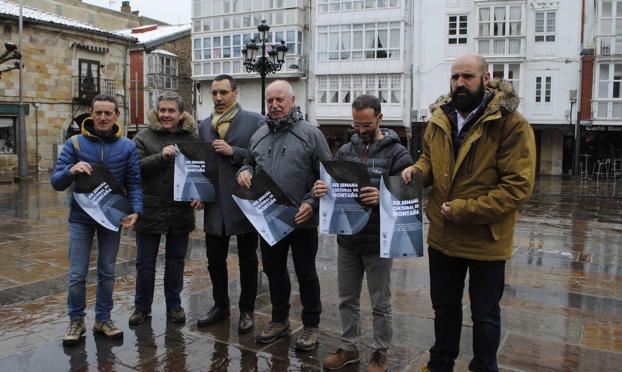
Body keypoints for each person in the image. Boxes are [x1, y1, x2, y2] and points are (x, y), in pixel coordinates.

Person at [401, 53, 536, 372]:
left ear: (486, 79)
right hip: (443, 238)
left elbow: (517, 187)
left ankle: (484, 366)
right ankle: (440, 363)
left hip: (486, 241)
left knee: (485, 314)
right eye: (455, 77)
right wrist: (417, 172)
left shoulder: (511, 124)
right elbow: (431, 162)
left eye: (468, 77)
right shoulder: (440, 118)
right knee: (444, 309)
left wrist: (463, 210)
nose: (460, 83)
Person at [315, 95, 412, 372]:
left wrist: (382, 196)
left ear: (380, 118)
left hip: (379, 240)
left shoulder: (398, 154)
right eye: (356, 124)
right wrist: (322, 191)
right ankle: (348, 348)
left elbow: (410, 198)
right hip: (347, 238)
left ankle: (380, 353)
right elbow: (333, 184)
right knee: (347, 298)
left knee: (381, 302)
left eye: (366, 124)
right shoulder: (346, 150)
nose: (360, 130)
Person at [236, 80, 332, 351]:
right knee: (274, 271)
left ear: (292, 101)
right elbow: (248, 162)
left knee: (306, 273)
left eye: (280, 100)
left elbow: (327, 174)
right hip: (270, 219)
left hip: (302, 219)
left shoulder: (311, 134)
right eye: (270, 101)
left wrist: (311, 202)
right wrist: (244, 171)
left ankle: (311, 325)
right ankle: (279, 320)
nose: (275, 105)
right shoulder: (259, 134)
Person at [51, 94, 143, 346]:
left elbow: (134, 183)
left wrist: (135, 209)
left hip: (112, 217)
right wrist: (71, 170)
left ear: (116, 115)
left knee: (107, 272)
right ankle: (76, 320)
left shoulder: (127, 146)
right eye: (98, 112)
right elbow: (56, 182)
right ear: (91, 114)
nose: (103, 118)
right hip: (81, 218)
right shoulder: (75, 143)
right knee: (77, 274)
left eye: (108, 113)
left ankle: (103, 318)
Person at [128, 92, 203, 326]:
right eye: (162, 110)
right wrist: (161, 156)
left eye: (171, 111)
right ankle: (141, 307)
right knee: (145, 263)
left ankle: (174, 305)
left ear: (181, 114)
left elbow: (200, 169)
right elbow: (134, 169)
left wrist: (200, 192)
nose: (166, 115)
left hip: (179, 210)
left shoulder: (192, 136)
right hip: (150, 209)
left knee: (176, 262)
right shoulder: (142, 137)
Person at [196, 74, 263, 333]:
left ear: (236, 93)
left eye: (223, 92)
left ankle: (247, 309)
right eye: (214, 93)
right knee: (215, 260)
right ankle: (220, 305)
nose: (218, 98)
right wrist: (197, 191)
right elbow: (200, 165)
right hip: (214, 204)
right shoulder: (203, 126)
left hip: (243, 202)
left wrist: (234, 152)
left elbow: (260, 158)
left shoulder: (255, 121)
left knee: (247, 260)